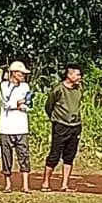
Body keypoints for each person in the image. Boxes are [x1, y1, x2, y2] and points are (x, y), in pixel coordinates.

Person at [42, 64, 84, 192]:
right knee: (54, 154)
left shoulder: (79, 88)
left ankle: (64, 184)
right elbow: (49, 106)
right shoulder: (58, 89)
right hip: (60, 125)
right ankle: (45, 183)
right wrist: (55, 118)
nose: (79, 77)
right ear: (69, 75)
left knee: (69, 155)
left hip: (75, 125)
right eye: (76, 74)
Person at [0, 61, 33, 193]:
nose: (23, 75)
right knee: (6, 155)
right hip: (6, 127)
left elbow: (29, 103)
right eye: (20, 73)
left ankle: (25, 184)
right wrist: (18, 103)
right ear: (13, 73)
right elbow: (5, 103)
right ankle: (8, 184)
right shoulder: (3, 86)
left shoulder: (25, 86)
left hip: (22, 127)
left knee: (23, 154)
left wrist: (21, 104)